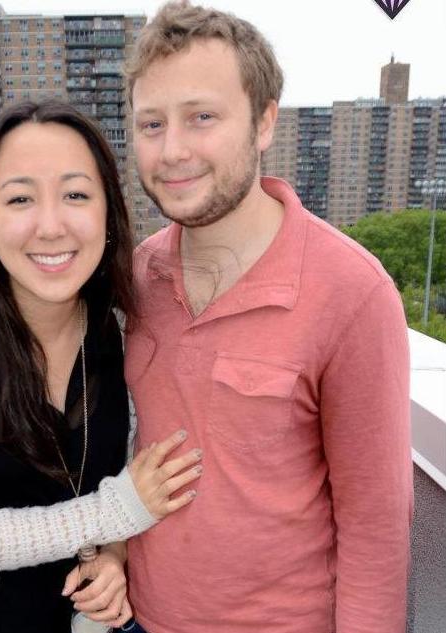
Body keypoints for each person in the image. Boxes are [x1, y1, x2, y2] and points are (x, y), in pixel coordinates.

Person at [121, 2, 413, 632]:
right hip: (142, 621)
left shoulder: (352, 293)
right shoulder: (136, 277)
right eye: (151, 124)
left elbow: (375, 530)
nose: (172, 150)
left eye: (202, 117)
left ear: (264, 123)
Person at [0, 100, 203, 633]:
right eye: (20, 199)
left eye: (76, 195)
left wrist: (116, 553)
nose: (51, 226)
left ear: (107, 215)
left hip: (82, 617)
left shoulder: (124, 327)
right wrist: (120, 511)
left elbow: (131, 471)